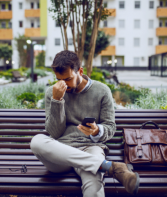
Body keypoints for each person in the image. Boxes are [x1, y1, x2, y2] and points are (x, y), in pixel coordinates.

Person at [30, 50, 140, 196]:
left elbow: (110, 126)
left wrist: (97, 131)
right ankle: (110, 167)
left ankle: (102, 166)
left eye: (68, 79)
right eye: (59, 79)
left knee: (94, 184)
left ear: (80, 71)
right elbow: (55, 132)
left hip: (91, 147)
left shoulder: (102, 91)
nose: (63, 84)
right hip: (61, 153)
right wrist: (57, 101)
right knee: (37, 141)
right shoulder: (53, 92)